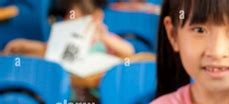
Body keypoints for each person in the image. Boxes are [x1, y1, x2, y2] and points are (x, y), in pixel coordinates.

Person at [3, 0, 134, 58]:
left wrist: (104, 37)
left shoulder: (103, 39)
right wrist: (20, 45)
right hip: (70, 99)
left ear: (96, 17)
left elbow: (129, 51)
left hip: (94, 101)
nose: (70, 21)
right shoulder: (65, 38)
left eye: (77, 18)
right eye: (67, 17)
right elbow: (48, 49)